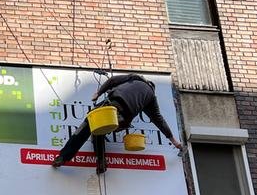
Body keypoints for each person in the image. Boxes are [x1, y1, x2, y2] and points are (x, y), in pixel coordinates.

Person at [52, 73, 183, 173]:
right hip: (123, 119)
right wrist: (174, 140)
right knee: (100, 130)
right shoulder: (150, 97)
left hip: (111, 107)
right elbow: (158, 119)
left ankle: (63, 157)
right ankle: (101, 162)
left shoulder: (134, 78)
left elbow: (112, 81)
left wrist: (98, 93)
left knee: (88, 126)